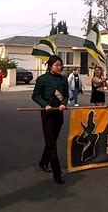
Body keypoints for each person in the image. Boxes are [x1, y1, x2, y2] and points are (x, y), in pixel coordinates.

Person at [32, 55, 68, 184]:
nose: (59, 67)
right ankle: (57, 173)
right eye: (56, 65)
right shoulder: (42, 79)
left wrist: (64, 103)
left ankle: (43, 162)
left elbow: (66, 96)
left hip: (59, 112)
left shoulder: (64, 79)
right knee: (52, 143)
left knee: (52, 140)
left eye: (60, 65)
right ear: (50, 66)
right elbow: (35, 96)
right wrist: (44, 104)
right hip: (47, 113)